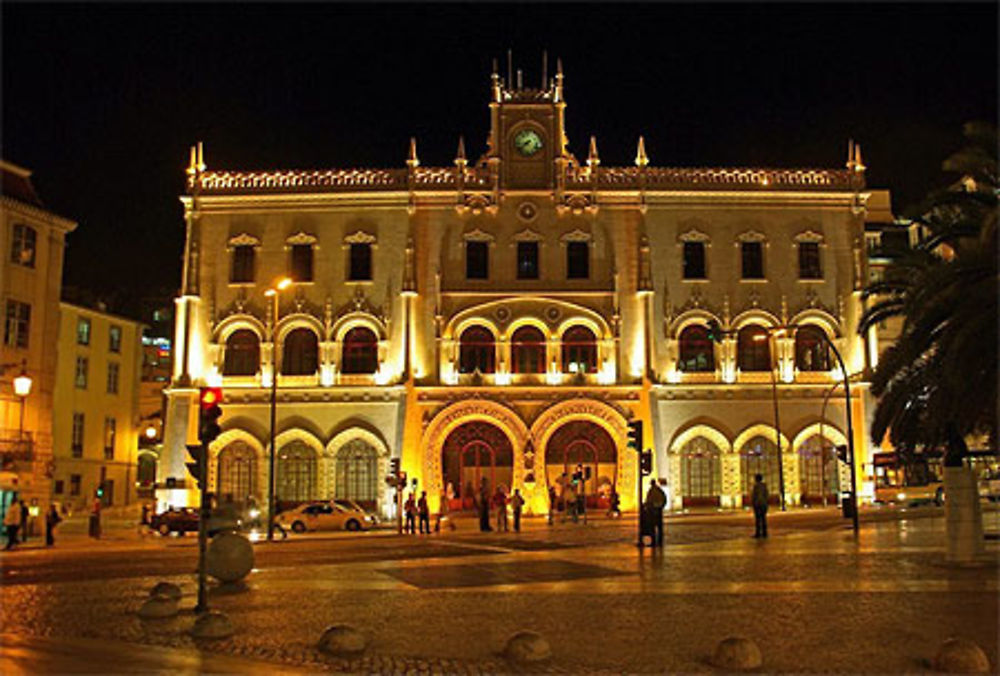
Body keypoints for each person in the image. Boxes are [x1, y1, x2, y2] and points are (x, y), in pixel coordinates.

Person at [644, 478, 666, 547]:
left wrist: (648, 507)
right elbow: (664, 499)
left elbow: (649, 500)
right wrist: (661, 506)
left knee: (653, 527)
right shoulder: (659, 490)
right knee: (659, 527)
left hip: (653, 510)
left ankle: (654, 541)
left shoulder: (651, 491)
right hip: (658, 510)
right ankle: (659, 541)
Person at [752, 473, 769, 538]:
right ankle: (764, 532)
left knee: (758, 520)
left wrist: (754, 503)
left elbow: (755, 496)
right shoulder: (764, 486)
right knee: (763, 519)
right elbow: (767, 495)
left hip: (758, 505)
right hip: (764, 504)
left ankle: (758, 533)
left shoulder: (756, 486)